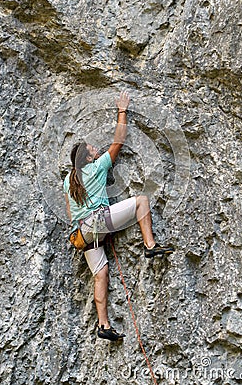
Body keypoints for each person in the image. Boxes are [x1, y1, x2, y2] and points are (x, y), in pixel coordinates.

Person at [63, 91, 174, 342]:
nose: (95, 148)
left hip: (82, 234)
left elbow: (71, 212)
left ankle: (103, 324)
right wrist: (122, 110)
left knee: (100, 274)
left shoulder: (67, 180)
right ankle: (150, 245)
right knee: (141, 202)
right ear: (89, 157)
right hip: (98, 222)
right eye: (92, 149)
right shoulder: (97, 166)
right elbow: (119, 141)